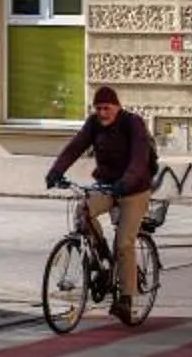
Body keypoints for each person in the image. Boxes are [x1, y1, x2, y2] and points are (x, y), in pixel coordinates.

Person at [45, 85, 156, 324]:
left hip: (134, 190)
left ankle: (126, 299)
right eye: (98, 109)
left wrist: (126, 182)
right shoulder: (94, 124)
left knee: (125, 243)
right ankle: (102, 256)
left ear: (117, 106)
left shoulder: (132, 123)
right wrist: (56, 171)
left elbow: (139, 158)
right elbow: (75, 147)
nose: (103, 113)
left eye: (107, 108)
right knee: (83, 211)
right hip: (107, 185)